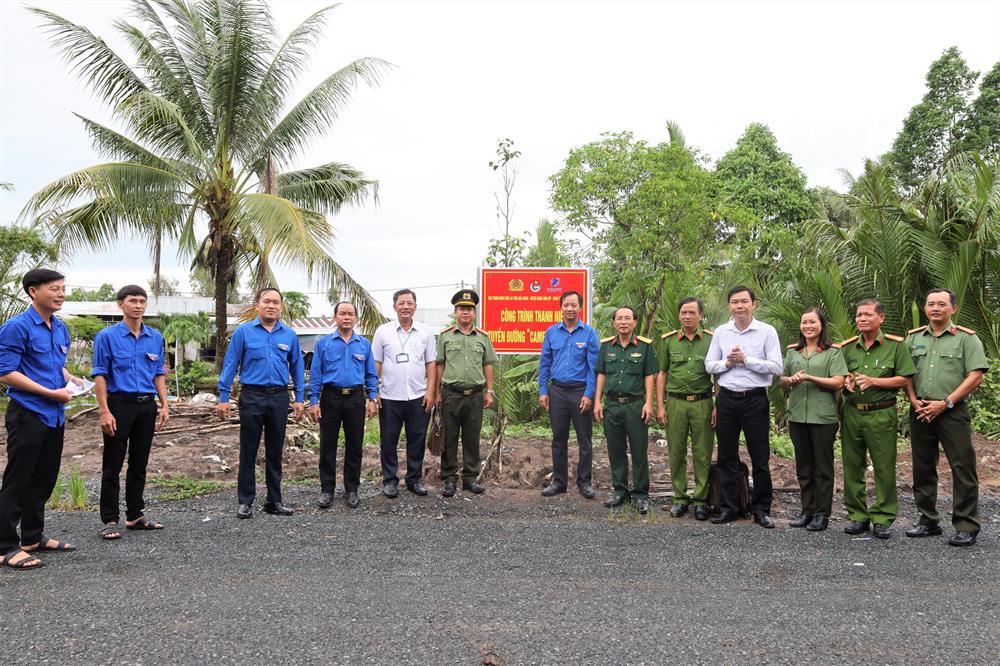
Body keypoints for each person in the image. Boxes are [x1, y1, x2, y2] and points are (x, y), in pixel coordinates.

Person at [0, 268, 84, 570]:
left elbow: (54, 365)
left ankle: (32, 537)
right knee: (18, 479)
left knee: (44, 478)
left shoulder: (59, 328)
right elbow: (6, 371)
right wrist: (50, 393)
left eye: (63, 288)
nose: (61, 293)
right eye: (54, 288)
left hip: (54, 414)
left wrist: (71, 379)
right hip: (28, 412)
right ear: (33, 291)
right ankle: (5, 545)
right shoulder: (17, 327)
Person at [904, 288, 989, 547]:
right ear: (926, 308)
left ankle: (966, 524)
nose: (935, 308)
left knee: (962, 467)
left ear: (953, 308)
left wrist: (946, 402)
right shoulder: (914, 338)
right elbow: (905, 372)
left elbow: (976, 375)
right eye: (931, 304)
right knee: (922, 466)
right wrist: (912, 399)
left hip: (952, 411)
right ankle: (928, 519)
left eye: (942, 304)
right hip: (920, 410)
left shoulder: (966, 339)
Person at [218, 287, 305, 519]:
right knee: (249, 450)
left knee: (275, 451)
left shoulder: (289, 335)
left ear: (280, 306)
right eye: (267, 301)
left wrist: (299, 398)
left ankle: (274, 501)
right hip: (252, 397)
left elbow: (296, 367)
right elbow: (230, 364)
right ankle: (245, 501)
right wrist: (223, 398)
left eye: (276, 302)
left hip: (278, 397)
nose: (272, 306)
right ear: (257, 305)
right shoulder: (244, 333)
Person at [92, 285, 170, 540]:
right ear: (120, 305)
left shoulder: (155, 337)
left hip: (146, 406)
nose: (138, 305)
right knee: (112, 463)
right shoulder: (107, 337)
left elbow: (158, 373)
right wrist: (104, 411)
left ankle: (135, 514)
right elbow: (100, 375)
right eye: (132, 301)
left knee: (139, 463)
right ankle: (110, 519)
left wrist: (164, 405)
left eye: (142, 301)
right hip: (119, 404)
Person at [705, 285, 782, 528]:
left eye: (744, 301)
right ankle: (729, 507)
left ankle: (761, 509)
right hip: (727, 399)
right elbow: (709, 365)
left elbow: (776, 367)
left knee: (760, 457)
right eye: (735, 302)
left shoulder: (767, 332)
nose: (739, 306)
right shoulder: (721, 332)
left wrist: (746, 360)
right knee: (726, 456)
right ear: (730, 306)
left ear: (753, 304)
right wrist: (727, 363)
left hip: (755, 400)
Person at [838, 299, 916, 539]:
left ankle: (882, 517)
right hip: (852, 412)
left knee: (883, 466)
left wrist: (874, 381)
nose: (862, 319)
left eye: (868, 315)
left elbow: (904, 378)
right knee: (852, 465)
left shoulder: (895, 346)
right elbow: (841, 376)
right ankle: (857, 515)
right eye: (859, 315)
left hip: (881, 412)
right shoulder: (848, 347)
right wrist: (847, 382)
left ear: (880, 318)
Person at [778, 308, 847, 532]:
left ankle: (822, 514)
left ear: (821, 325)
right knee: (804, 466)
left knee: (823, 467)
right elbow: (781, 380)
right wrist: (791, 379)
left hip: (822, 417)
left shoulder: (832, 351)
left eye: (812, 322)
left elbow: (838, 382)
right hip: (798, 415)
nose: (807, 326)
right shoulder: (793, 351)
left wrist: (809, 376)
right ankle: (806, 510)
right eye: (804, 322)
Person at [310, 301, 378, 509]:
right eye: (342, 314)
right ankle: (327, 490)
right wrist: (313, 400)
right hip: (331, 397)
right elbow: (315, 374)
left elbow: (371, 374)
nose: (346, 317)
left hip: (355, 398)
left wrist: (373, 398)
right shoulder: (324, 343)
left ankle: (352, 489)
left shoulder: (364, 344)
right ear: (335, 317)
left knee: (354, 445)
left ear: (356, 318)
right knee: (327, 445)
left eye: (350, 314)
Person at [372, 289, 437, 497]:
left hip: (418, 396)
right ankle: (390, 480)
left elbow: (431, 363)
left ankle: (413, 479)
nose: (406, 307)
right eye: (402, 303)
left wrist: (431, 392)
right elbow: (377, 363)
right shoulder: (383, 331)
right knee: (388, 440)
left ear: (415, 306)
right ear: (394, 307)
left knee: (416, 439)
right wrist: (375, 391)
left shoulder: (426, 332)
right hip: (390, 396)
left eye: (410, 303)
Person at [656, 297, 715, 520]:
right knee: (676, 451)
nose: (687, 317)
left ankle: (700, 500)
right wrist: (660, 405)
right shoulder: (669, 341)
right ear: (679, 315)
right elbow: (661, 373)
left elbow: (718, 375)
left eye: (692, 313)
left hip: (702, 403)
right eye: (683, 313)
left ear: (700, 315)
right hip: (676, 403)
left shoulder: (711, 340)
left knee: (702, 452)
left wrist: (716, 405)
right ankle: (679, 498)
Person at [594, 306, 657, 514]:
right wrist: (597, 402)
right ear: (614, 323)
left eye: (627, 318)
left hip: (635, 406)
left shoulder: (645, 347)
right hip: (612, 405)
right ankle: (620, 491)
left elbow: (650, 375)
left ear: (634, 322)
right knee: (616, 450)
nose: (623, 322)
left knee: (639, 451)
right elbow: (601, 374)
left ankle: (641, 494)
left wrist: (649, 403)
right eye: (619, 318)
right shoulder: (606, 347)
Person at [538, 290, 599, 499]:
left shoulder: (589, 333)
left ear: (580, 308)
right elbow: (545, 363)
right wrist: (543, 390)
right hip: (557, 392)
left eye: (574, 305)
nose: (570, 308)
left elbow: (593, 368)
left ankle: (584, 482)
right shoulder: (551, 332)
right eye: (566, 305)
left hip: (580, 391)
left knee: (584, 440)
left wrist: (589, 394)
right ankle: (559, 482)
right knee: (558, 438)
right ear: (561, 307)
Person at [436, 289, 497, 497]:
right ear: (455, 311)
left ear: (475, 312)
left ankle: (470, 479)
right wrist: (437, 392)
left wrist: (490, 391)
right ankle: (449, 479)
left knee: (472, 438)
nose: (465, 312)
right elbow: (440, 365)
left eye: (469, 309)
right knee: (449, 437)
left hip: (475, 395)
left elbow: (488, 365)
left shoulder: (483, 337)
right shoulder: (445, 337)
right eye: (462, 308)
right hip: (451, 395)